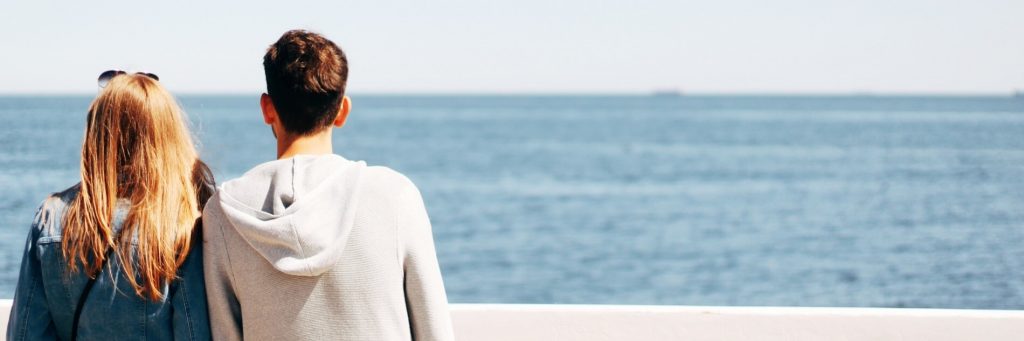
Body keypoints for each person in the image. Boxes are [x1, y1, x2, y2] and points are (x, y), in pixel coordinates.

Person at [201, 30, 455, 340]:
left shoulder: (222, 214)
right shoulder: (395, 197)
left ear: (267, 108)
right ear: (342, 110)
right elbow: (434, 331)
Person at [7, 72, 214, 340]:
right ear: (167, 138)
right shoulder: (180, 226)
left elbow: (26, 334)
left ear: (97, 135)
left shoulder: (52, 218)